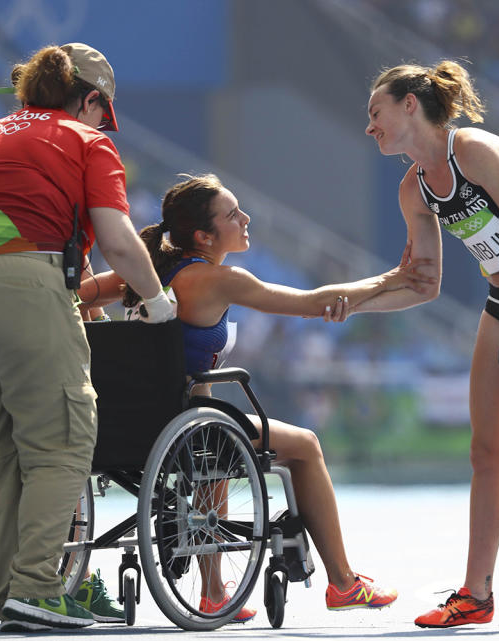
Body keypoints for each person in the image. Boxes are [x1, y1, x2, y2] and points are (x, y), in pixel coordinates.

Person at [81, 173, 435, 619]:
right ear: (204, 236)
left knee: (214, 437)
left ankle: (214, 590)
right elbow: (311, 302)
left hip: (127, 426)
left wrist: (95, 314)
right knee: (303, 446)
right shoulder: (219, 279)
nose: (246, 218)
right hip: (185, 427)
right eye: (233, 214)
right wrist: (392, 277)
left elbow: (77, 300)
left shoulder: (142, 272)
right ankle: (343, 582)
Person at [0, 43, 176, 633]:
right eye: (100, 114)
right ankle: (36, 587)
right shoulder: (87, 141)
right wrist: (158, 302)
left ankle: (11, 594)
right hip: (21, 287)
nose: (101, 125)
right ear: (90, 100)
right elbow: (117, 238)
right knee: (62, 441)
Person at [358, 61, 499, 631]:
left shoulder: (478, 151)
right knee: (487, 454)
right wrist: (351, 300)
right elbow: (423, 281)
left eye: (375, 112)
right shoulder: (413, 188)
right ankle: (476, 594)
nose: (369, 128)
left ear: (410, 104)